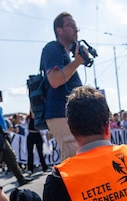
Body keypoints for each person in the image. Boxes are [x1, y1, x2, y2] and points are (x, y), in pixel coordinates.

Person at [41, 12, 88, 160]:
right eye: (70, 25)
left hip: (67, 115)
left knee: (77, 160)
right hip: (61, 114)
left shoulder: (65, 53)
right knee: (76, 162)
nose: (75, 29)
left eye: (76, 26)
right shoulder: (53, 48)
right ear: (58, 30)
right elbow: (54, 80)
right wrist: (77, 62)